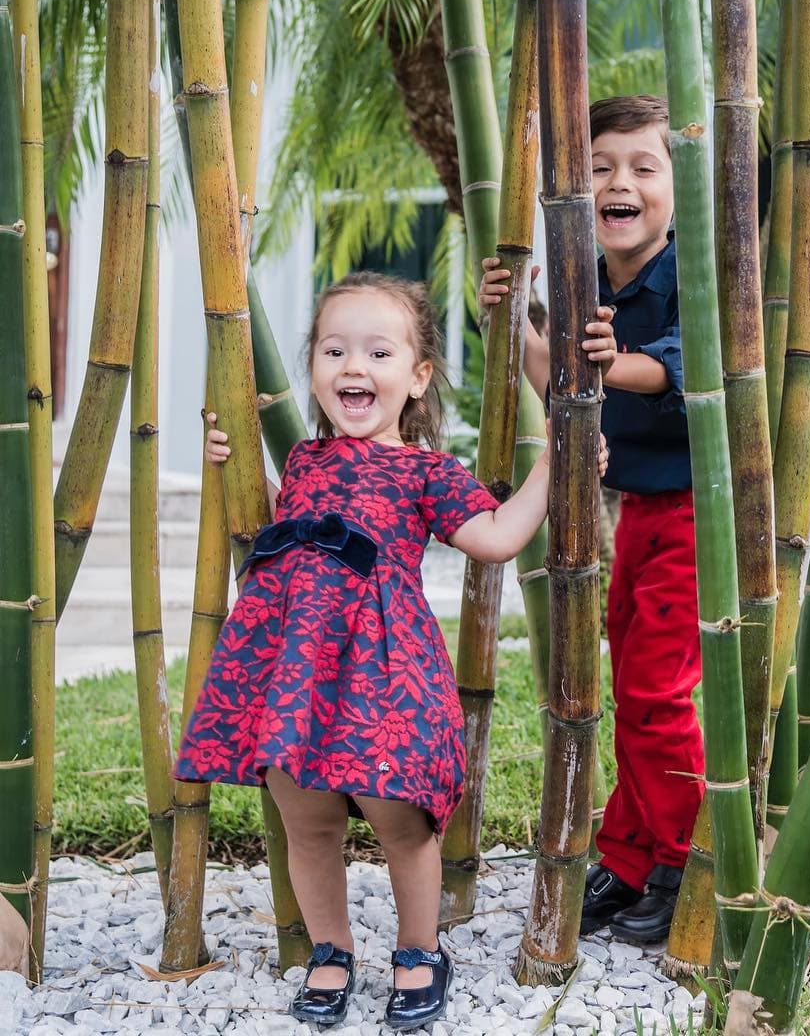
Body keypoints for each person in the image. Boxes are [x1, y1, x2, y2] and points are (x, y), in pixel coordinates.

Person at [173, 271, 611, 1030]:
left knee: (400, 820)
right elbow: (271, 526)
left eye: (378, 352)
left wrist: (556, 464)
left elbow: (500, 538)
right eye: (334, 349)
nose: (353, 367)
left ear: (417, 378)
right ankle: (331, 950)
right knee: (305, 820)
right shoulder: (304, 462)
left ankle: (418, 950)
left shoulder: (426, 472)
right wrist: (228, 459)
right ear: (313, 368)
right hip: (297, 672)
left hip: (381, 675)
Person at [480, 94, 700, 945]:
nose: (621, 183)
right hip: (638, 510)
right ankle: (634, 855)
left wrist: (624, 362)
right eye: (601, 167)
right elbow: (554, 379)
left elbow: (688, 366)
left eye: (644, 168)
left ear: (679, 190)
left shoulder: (692, 273)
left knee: (655, 689)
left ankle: (685, 860)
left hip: (698, 512)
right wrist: (514, 314)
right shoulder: (584, 277)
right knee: (629, 685)